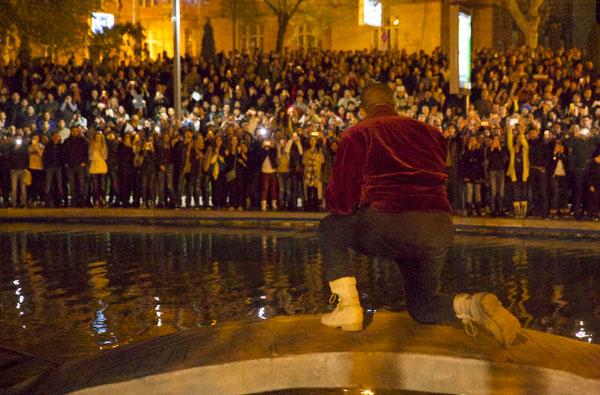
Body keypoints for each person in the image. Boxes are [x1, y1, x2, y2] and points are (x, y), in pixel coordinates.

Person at [319, 83, 520, 346]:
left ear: (362, 108)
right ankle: (471, 305)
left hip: (391, 221)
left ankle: (347, 307)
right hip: (438, 227)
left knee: (330, 228)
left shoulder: (358, 134)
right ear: (394, 104)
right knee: (424, 306)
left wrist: (362, 204)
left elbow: (341, 202)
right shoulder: (431, 133)